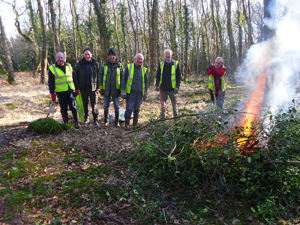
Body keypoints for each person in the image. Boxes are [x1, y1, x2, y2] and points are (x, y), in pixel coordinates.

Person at [48, 52, 80, 129]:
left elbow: (74, 78)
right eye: (58, 57)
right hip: (61, 92)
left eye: (61, 57)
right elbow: (51, 82)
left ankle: (77, 123)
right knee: (63, 109)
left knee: (73, 107)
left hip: (70, 90)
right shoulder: (52, 68)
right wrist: (52, 93)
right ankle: (66, 124)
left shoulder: (69, 66)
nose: (60, 59)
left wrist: (76, 88)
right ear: (56, 58)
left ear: (64, 58)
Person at [121, 53, 148, 129]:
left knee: (137, 109)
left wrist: (146, 91)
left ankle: (135, 124)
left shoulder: (144, 69)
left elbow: (146, 82)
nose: (140, 60)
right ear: (135, 59)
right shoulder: (129, 67)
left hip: (139, 93)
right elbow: (124, 79)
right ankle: (126, 124)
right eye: (138, 59)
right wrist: (123, 90)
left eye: (141, 59)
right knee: (129, 108)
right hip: (131, 93)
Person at [75, 48, 101, 125]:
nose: (87, 56)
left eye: (88, 54)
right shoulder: (80, 64)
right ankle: (86, 118)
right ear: (83, 55)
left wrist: (98, 87)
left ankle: (95, 119)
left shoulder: (96, 64)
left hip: (93, 88)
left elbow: (99, 76)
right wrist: (77, 87)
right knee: (84, 104)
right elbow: (76, 76)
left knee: (94, 104)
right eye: (86, 54)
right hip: (83, 88)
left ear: (91, 55)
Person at [99, 48, 123, 127]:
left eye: (113, 55)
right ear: (108, 56)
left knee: (116, 106)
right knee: (106, 106)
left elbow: (123, 77)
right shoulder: (104, 65)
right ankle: (106, 121)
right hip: (106, 89)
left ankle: (117, 122)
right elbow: (100, 76)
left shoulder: (120, 65)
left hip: (116, 89)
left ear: (116, 56)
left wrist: (121, 89)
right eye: (110, 55)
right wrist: (101, 88)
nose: (112, 57)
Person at [155, 49, 181, 118]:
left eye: (169, 54)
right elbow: (158, 76)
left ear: (171, 55)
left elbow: (179, 77)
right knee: (163, 105)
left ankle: (176, 119)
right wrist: (157, 85)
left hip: (172, 89)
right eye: (166, 54)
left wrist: (177, 86)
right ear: (164, 55)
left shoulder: (176, 64)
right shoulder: (161, 64)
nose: (168, 55)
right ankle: (163, 119)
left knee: (174, 104)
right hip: (163, 88)